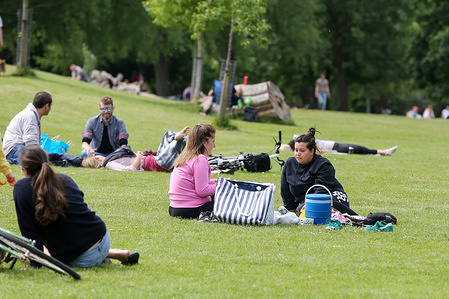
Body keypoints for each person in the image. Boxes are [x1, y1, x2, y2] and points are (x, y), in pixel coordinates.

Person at [13, 145, 139, 268]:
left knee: (29, 250)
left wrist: (34, 264)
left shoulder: (22, 188)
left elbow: (31, 235)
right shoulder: (65, 179)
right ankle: (111, 253)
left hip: (84, 258)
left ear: (24, 169)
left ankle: (99, 255)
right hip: (102, 237)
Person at [281, 128, 358, 216]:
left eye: (302, 151)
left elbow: (321, 190)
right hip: (306, 203)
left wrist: (305, 206)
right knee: (298, 211)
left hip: (332, 197)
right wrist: (290, 211)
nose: (298, 154)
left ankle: (356, 217)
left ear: (312, 151)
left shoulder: (323, 164)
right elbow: (286, 192)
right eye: (296, 150)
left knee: (310, 208)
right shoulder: (289, 163)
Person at [168, 124, 217, 219]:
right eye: (213, 141)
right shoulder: (200, 159)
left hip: (175, 208)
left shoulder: (186, 156)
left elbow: (195, 183)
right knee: (227, 198)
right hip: (190, 209)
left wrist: (216, 182)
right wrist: (222, 186)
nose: (214, 146)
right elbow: (202, 191)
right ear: (204, 142)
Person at [91, 127, 190, 172]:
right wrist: (138, 157)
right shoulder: (109, 163)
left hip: (154, 158)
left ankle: (180, 137)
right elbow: (130, 170)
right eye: (97, 156)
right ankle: (194, 141)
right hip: (153, 163)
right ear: (97, 159)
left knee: (168, 133)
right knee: (177, 143)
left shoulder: (111, 157)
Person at [3, 91, 52, 165]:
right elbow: (31, 145)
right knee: (38, 160)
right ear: (46, 105)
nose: (50, 108)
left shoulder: (32, 114)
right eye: (50, 106)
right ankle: (11, 162)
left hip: (15, 148)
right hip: (13, 149)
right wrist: (50, 156)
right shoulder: (30, 116)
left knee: (40, 158)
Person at [282, 135, 398, 156]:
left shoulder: (307, 140)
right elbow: (320, 151)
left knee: (361, 148)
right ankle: (384, 152)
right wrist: (333, 152)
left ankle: (383, 152)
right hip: (336, 148)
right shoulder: (308, 148)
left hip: (337, 144)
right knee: (360, 149)